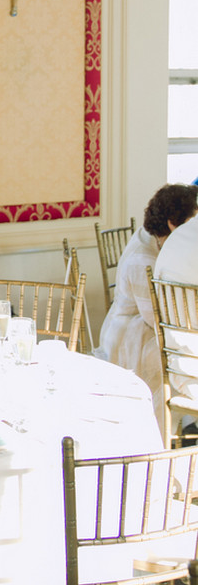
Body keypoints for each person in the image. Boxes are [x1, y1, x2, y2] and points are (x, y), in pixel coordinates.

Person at [95, 183, 198, 431]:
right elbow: (158, 321)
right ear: (174, 223)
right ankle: (172, 428)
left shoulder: (150, 236)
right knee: (182, 354)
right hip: (133, 337)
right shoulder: (142, 260)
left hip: (146, 324)